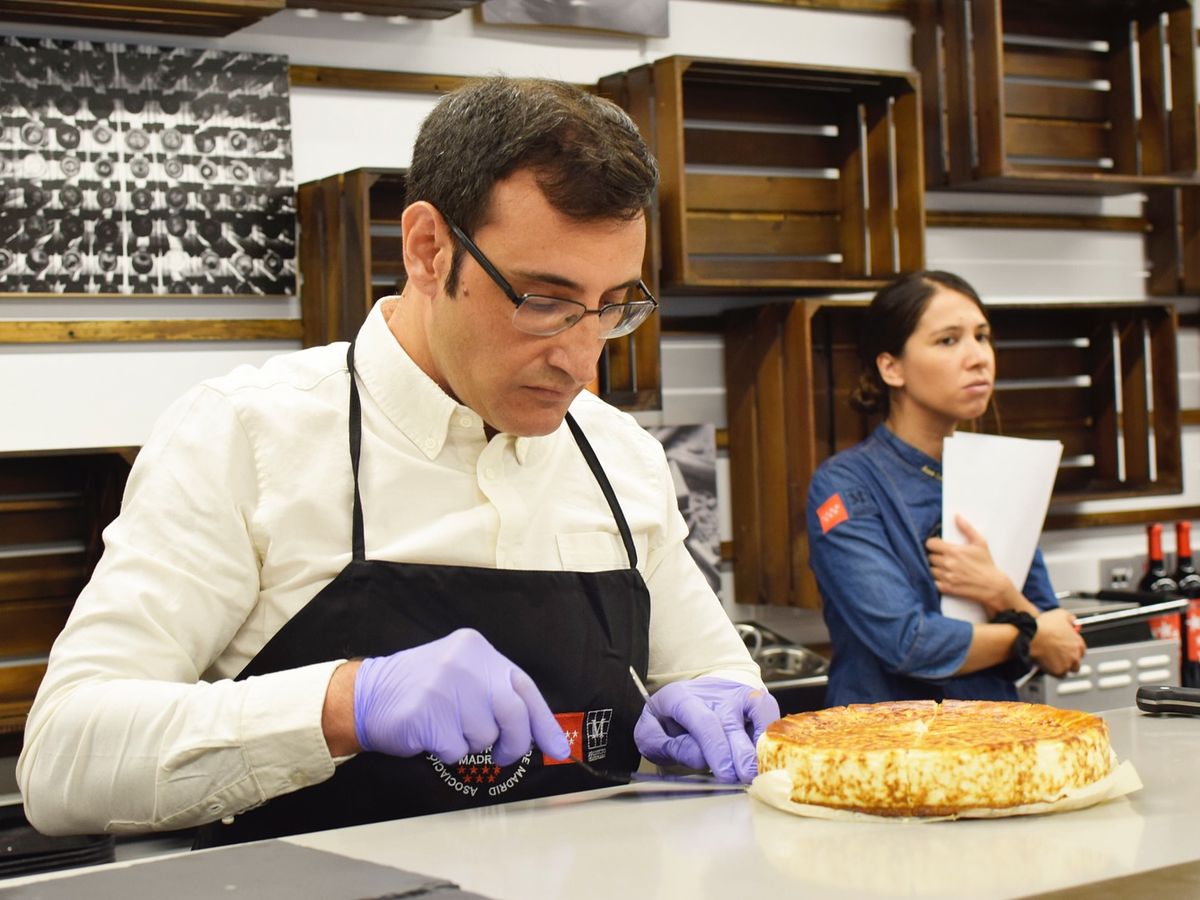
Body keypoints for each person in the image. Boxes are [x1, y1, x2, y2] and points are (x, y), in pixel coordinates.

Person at [17, 77, 778, 844]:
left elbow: (710, 675)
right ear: (428, 249)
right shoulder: (246, 436)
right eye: (543, 301)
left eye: (613, 305)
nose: (582, 362)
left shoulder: (621, 457)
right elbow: (63, 763)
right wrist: (345, 704)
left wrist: (725, 703)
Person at [805, 271, 1086, 706]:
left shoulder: (998, 475)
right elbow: (908, 642)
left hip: (994, 739)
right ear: (891, 367)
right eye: (949, 341)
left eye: (983, 336)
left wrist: (1001, 593)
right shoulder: (843, 485)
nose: (979, 357)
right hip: (885, 749)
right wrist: (1029, 633)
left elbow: (1061, 646)